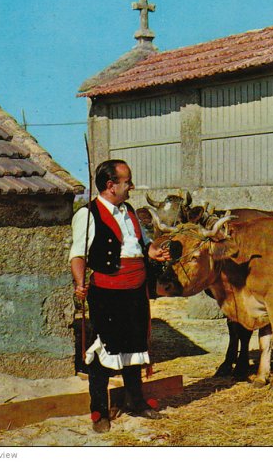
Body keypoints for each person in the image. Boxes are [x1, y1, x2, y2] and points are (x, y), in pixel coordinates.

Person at [69, 159, 171, 433]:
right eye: (127, 181)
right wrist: (80, 283)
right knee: (105, 349)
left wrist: (153, 253)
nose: (132, 186)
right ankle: (99, 410)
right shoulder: (87, 215)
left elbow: (142, 245)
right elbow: (78, 255)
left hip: (136, 290)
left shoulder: (130, 211)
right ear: (111, 186)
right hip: (107, 293)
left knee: (135, 346)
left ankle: (135, 401)